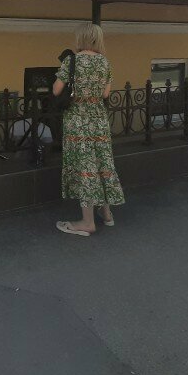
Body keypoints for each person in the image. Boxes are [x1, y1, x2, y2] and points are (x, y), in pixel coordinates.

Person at [53, 24, 125, 236]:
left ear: (80, 38)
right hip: (99, 121)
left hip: (78, 122)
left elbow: (57, 90)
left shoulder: (71, 61)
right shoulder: (104, 62)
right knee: (102, 164)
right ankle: (107, 214)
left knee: (85, 168)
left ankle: (87, 222)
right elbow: (105, 94)